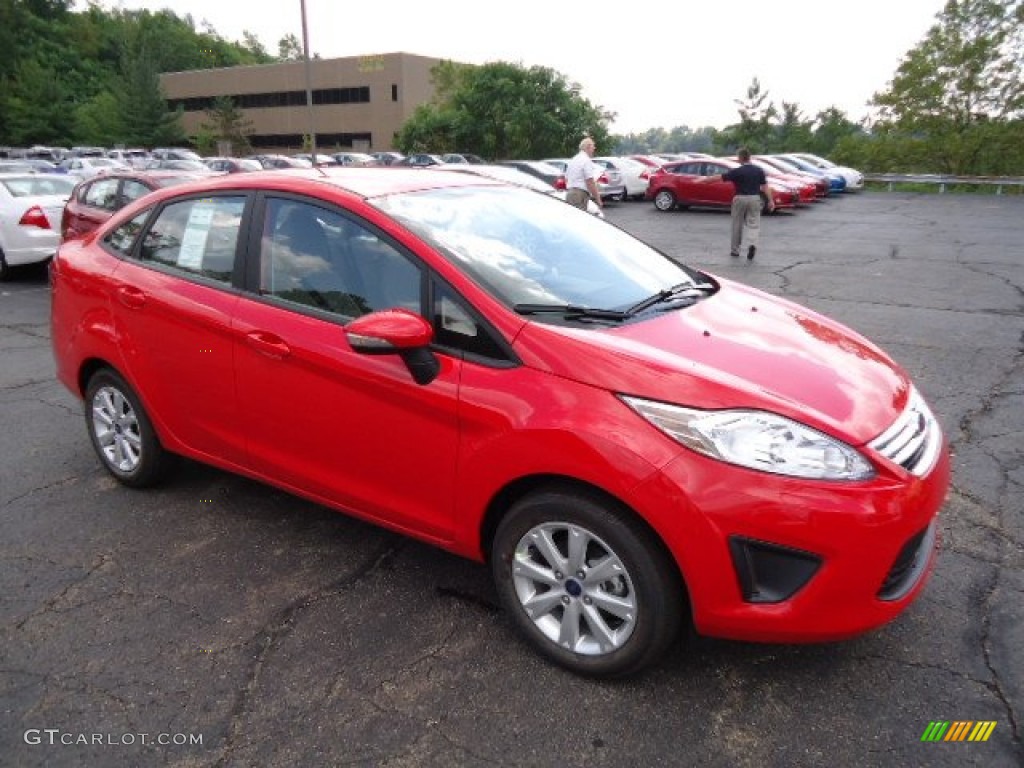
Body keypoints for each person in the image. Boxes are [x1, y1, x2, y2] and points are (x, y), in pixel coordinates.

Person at [698, 147, 773, 259]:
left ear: (741, 158)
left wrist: (703, 180)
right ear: (749, 157)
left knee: (737, 224)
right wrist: (770, 200)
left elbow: (720, 177)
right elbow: (765, 186)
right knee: (754, 224)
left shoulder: (737, 171)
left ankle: (735, 250)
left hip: (740, 198)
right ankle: (752, 244)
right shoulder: (759, 170)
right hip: (754, 198)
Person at [565, 137, 603, 211]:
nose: (594, 148)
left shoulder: (574, 159)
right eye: (593, 146)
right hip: (580, 195)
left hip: (570, 193)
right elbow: (590, 182)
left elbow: (566, 178)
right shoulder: (586, 160)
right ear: (587, 147)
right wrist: (598, 199)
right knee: (579, 220)